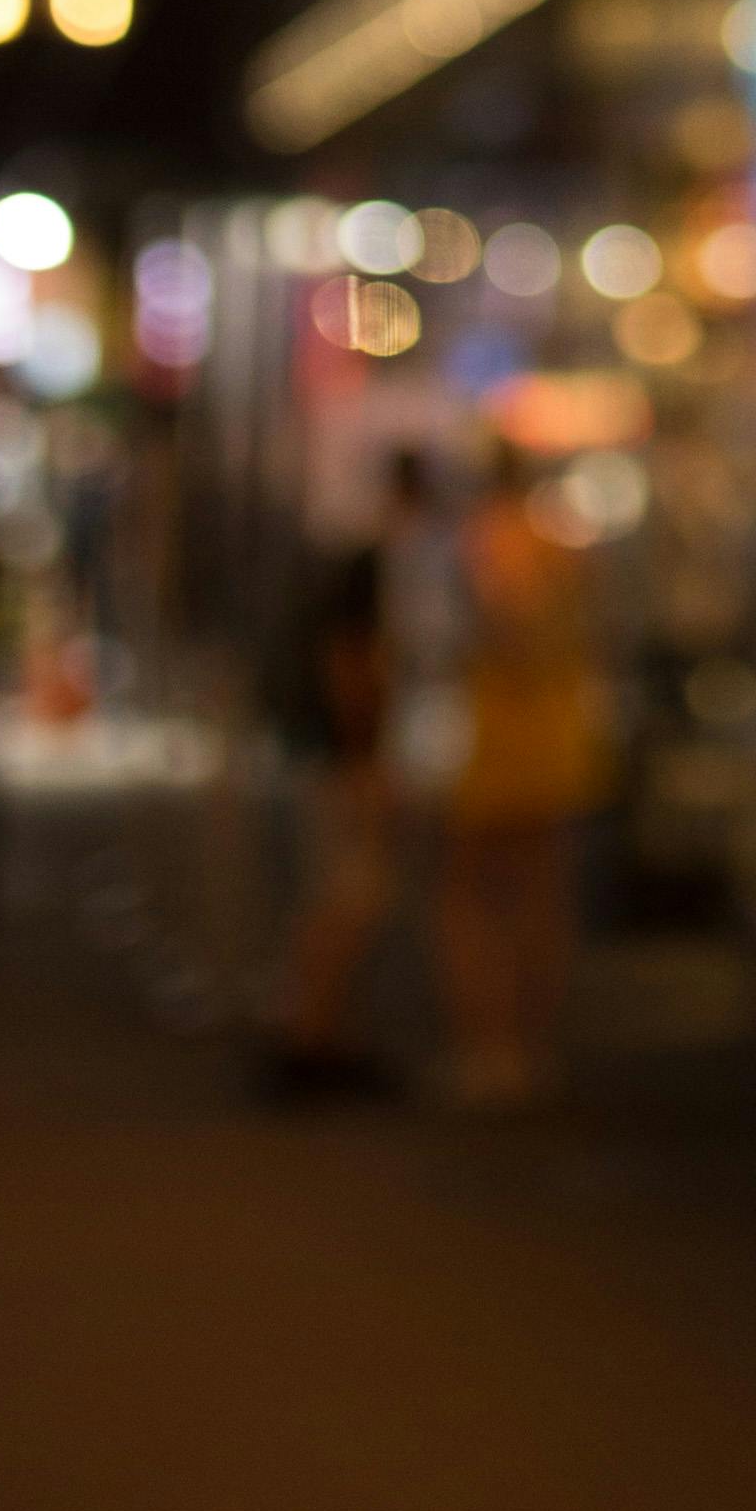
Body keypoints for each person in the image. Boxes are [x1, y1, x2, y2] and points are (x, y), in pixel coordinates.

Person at [440, 431, 608, 1105]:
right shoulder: (558, 541)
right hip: (556, 726)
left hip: (506, 727)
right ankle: (531, 1046)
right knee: (541, 887)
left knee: (472, 891)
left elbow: (512, 622)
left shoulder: (494, 538)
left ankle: (492, 1049)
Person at [258, 446, 432, 1096]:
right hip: (349, 758)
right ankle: (313, 1035)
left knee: (348, 898)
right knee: (349, 897)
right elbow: (351, 667)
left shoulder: (370, 562)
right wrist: (367, 758)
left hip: (343, 754)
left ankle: (323, 1032)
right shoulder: (377, 568)